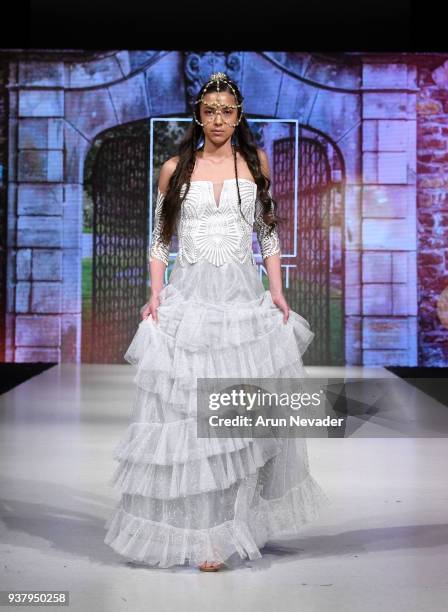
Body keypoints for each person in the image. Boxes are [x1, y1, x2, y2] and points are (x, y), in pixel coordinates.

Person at [104, 72, 331, 571]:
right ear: (198, 115)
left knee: (237, 416)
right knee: (189, 419)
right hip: (192, 303)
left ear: (239, 114)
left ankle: (234, 525)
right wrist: (155, 295)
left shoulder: (254, 164)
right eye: (210, 111)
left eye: (227, 110)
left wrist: (276, 291)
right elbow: (160, 241)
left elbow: (267, 234)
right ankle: (204, 533)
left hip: (241, 302)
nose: (219, 120)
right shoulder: (174, 170)